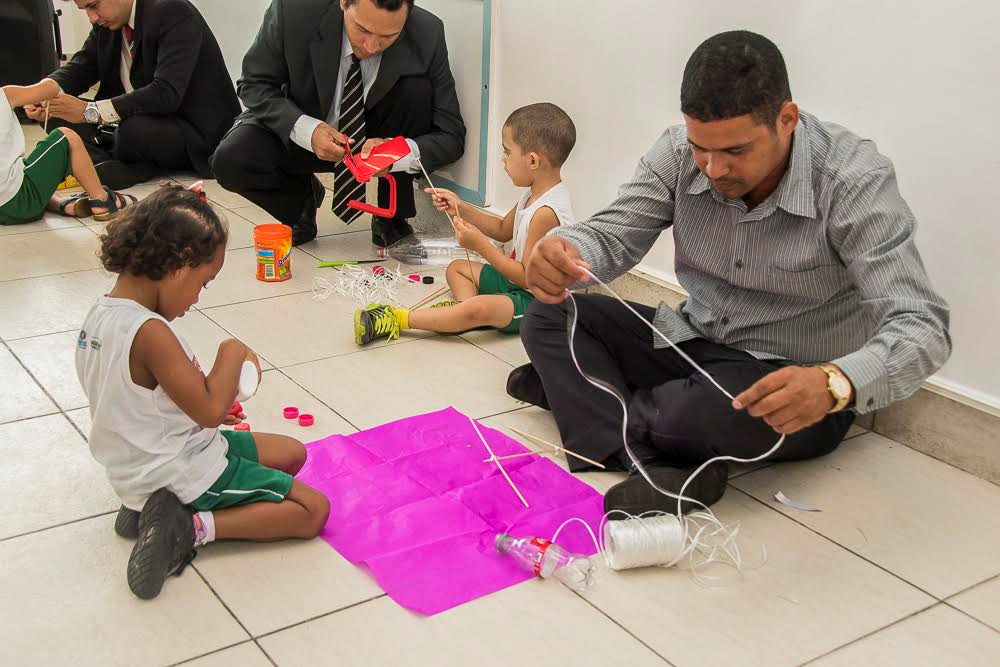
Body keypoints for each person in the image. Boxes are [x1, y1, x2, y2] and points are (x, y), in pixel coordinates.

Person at [510, 31, 951, 517]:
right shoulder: (679, 153)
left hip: (785, 380)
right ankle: (663, 455)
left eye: (736, 151)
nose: (714, 169)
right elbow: (614, 234)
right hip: (690, 341)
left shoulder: (852, 180)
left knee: (689, 412)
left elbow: (922, 326)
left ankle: (593, 401)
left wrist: (833, 384)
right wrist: (565, 251)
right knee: (549, 317)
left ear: (786, 120)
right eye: (702, 148)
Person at [76, 185, 330, 600]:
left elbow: (137, 400)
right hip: (180, 467)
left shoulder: (100, 316)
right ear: (178, 264)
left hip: (139, 461)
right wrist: (233, 351)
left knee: (292, 453)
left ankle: (146, 506)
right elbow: (209, 411)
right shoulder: (151, 332)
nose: (197, 299)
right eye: (203, 283)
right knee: (312, 510)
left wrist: (204, 403)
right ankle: (189, 528)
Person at [211, 0, 466, 247]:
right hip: (303, 131)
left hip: (374, 144)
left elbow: (451, 135)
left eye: (389, 36)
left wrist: (395, 153)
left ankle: (391, 216)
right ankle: (300, 203)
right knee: (230, 161)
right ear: (343, 2)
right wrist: (307, 130)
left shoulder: (427, 32)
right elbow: (254, 84)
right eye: (362, 29)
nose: (372, 46)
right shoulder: (293, 11)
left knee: (416, 88)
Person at [354, 103, 576, 344]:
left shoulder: (546, 212)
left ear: (533, 161)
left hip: (536, 302)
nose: (503, 159)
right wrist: (461, 208)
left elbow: (527, 278)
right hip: (512, 282)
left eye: (507, 151)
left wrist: (481, 247)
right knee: (457, 268)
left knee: (478, 308)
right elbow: (502, 230)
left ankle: (399, 318)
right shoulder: (533, 193)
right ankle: (458, 314)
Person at [23, 0, 240, 190]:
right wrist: (42, 93)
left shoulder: (173, 11)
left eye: (93, 5)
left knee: (133, 131)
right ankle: (117, 162)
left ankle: (115, 161)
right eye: (84, 10)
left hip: (192, 131)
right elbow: (82, 67)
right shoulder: (107, 23)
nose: (92, 17)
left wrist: (90, 112)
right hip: (135, 119)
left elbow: (165, 94)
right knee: (58, 115)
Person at [2, 79, 135, 224]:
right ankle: (102, 201)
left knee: (21, 168)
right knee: (66, 137)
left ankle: (63, 204)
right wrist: (30, 98)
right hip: (19, 203)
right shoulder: (7, 95)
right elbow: (51, 87)